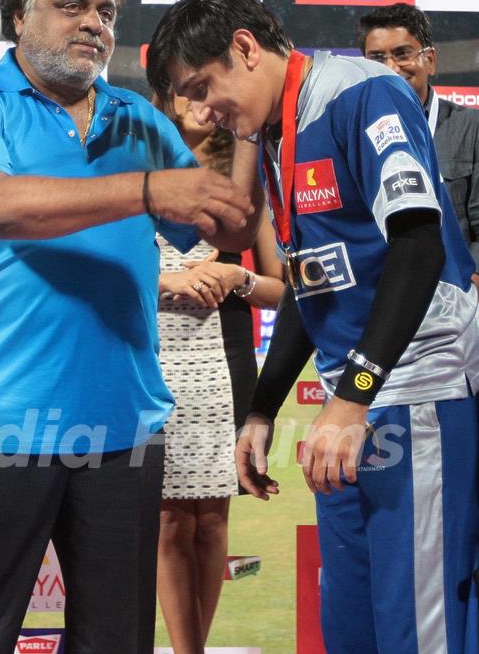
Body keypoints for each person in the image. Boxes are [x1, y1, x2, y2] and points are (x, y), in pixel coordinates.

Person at [0, 0, 254, 654]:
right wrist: (151, 189)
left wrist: (245, 132)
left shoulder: (138, 118)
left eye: (105, 11)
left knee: (115, 641)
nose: (93, 22)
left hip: (123, 425)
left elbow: (224, 221)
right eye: (72, 5)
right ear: (18, 18)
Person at [146, 0, 479, 654]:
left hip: (415, 394)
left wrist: (352, 399)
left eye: (199, 85)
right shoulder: (278, 130)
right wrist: (262, 409)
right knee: (352, 630)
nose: (199, 110)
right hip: (355, 406)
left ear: (244, 48)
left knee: (419, 633)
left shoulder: (360, 92)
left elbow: (418, 246)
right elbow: (313, 283)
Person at [357, 2, 479, 653]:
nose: (392, 68)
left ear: (429, 58)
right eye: (377, 58)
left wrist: (435, 319)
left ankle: (472, 640)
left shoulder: (476, 133)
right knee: (397, 531)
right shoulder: (357, 140)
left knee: (467, 525)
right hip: (379, 371)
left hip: (468, 367)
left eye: (403, 53)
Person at [154, 93, 284, 653]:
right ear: (162, 97)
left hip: (224, 364)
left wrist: (237, 277)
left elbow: (284, 287)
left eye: (203, 89)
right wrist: (167, 282)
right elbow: (105, 269)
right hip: (152, 361)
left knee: (210, 521)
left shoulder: (244, 185)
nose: (196, 103)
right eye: (182, 89)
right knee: (168, 523)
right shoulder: (135, 177)